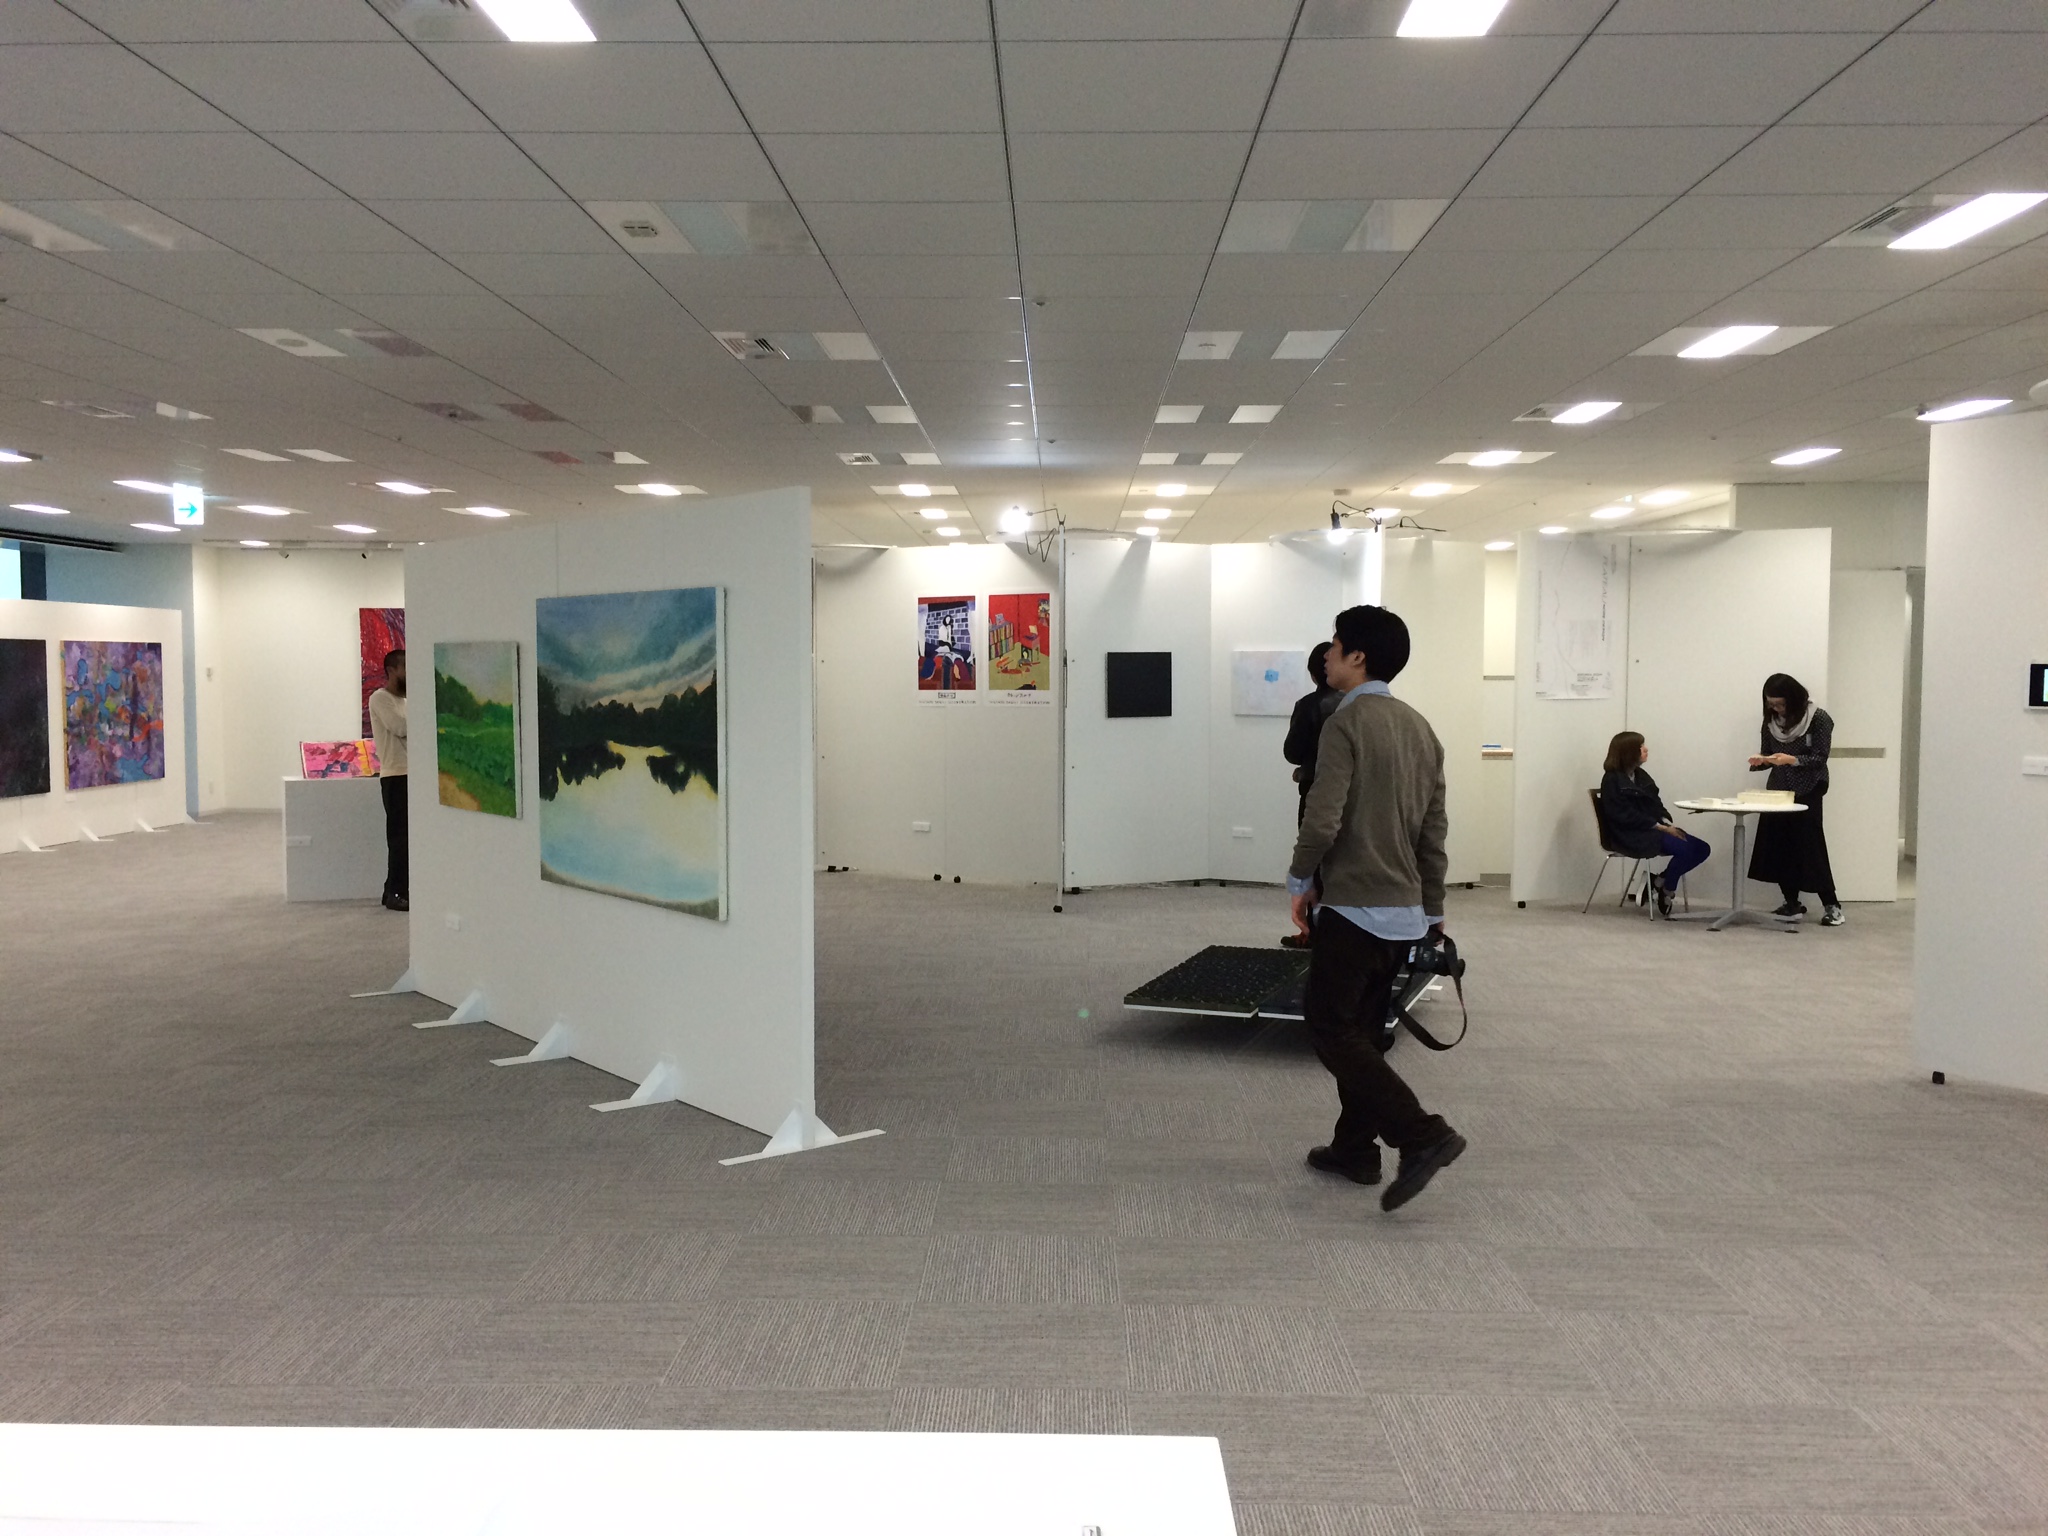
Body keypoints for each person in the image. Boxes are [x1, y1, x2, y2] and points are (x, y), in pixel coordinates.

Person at [1287, 605, 1467, 1213]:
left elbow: (1323, 817)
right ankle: (1354, 1149)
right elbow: (1433, 833)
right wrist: (1433, 906)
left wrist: (1299, 878)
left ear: (1358, 657)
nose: (1328, 654)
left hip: (1356, 906)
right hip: (1405, 911)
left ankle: (1422, 1134)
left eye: (1336, 645)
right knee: (1363, 1031)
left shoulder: (1345, 722)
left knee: (1330, 1027)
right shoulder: (1421, 729)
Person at [1746, 672, 1840, 926]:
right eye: (1771, 704)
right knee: (1779, 845)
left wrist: (1793, 760)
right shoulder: (1770, 722)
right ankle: (1791, 902)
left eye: (1780, 704)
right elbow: (1769, 753)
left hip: (1809, 788)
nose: (1775, 709)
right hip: (1779, 790)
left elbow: (1820, 757)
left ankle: (1832, 905)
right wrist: (1762, 761)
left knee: (1810, 845)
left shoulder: (1818, 719)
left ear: (1793, 699)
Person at [1598, 731, 1711, 917]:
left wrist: (1665, 822)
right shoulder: (1612, 779)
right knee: (1685, 850)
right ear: (1628, 752)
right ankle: (1668, 889)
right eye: (1641, 746)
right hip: (1630, 835)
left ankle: (1659, 881)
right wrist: (1660, 827)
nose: (1646, 749)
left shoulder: (1641, 775)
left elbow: (1655, 804)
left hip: (1651, 829)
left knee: (1702, 848)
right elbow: (1622, 815)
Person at [367, 649, 409, 913]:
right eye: (406, 667)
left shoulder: (407, 701)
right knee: (399, 838)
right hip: (395, 776)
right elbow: (400, 727)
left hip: (411, 776)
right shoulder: (380, 698)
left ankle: (392, 889)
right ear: (391, 670)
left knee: (408, 838)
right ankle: (396, 893)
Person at [1283, 641, 1341, 824]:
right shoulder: (1356, 703)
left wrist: (1304, 766)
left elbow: (1292, 752)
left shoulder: (1307, 705)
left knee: (1311, 838)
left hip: (1313, 785)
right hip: (1348, 790)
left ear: (1313, 675)